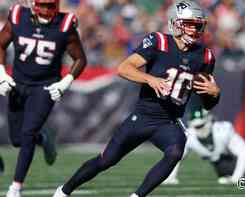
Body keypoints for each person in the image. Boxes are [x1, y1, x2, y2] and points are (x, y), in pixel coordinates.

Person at [53, 1, 220, 197]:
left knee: (176, 151)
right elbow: (124, 68)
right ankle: (64, 191)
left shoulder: (205, 57)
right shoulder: (159, 42)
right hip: (143, 116)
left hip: (168, 122)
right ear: (175, 23)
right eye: (189, 23)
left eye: (197, 25)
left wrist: (214, 93)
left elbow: (207, 103)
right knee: (106, 160)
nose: (194, 29)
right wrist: (150, 79)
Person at [0, 0, 87, 196]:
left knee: (27, 133)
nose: (47, 10)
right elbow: (1, 44)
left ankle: (15, 188)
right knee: (16, 140)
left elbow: (80, 58)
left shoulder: (65, 24)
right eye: (43, 5)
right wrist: (2, 74)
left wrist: (65, 83)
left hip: (45, 86)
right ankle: (43, 138)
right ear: (33, 4)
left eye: (50, 5)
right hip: (18, 83)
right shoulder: (18, 16)